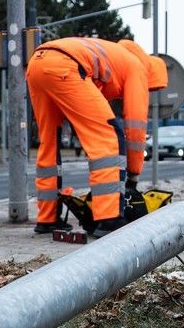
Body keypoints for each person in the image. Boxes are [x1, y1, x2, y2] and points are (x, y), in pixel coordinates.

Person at [26, 37, 168, 235]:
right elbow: (135, 126)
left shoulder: (115, 57)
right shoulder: (138, 67)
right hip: (67, 65)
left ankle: (47, 219)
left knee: (49, 141)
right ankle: (109, 219)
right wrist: (133, 176)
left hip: (36, 64)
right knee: (108, 137)